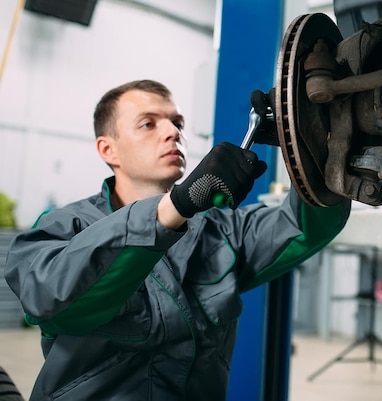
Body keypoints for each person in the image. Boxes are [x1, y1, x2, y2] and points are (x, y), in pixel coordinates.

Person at [4, 79, 351, 400]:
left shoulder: (221, 231)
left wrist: (309, 147)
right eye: (148, 123)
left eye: (177, 123)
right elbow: (51, 297)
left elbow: (305, 225)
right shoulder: (64, 227)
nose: (172, 132)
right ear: (108, 149)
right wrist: (177, 205)